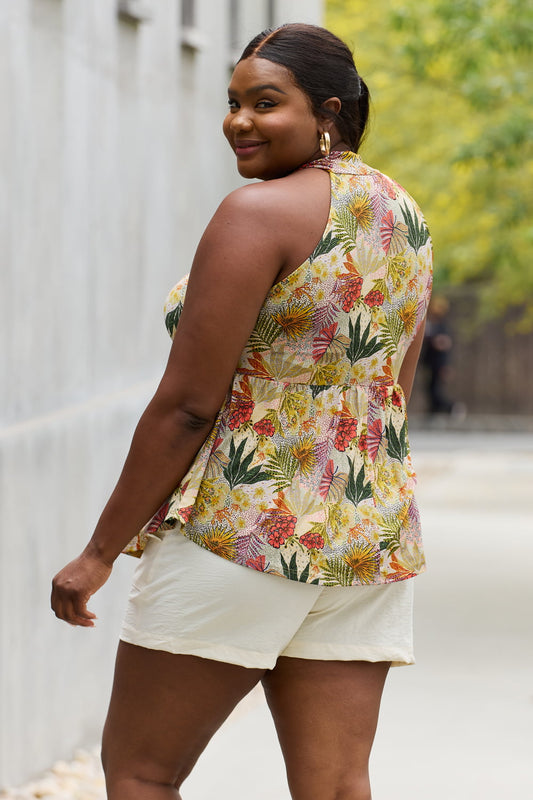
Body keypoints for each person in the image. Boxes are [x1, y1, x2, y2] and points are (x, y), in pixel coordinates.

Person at [51, 23, 433, 800]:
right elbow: (394, 384)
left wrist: (98, 552)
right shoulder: (404, 217)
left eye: (266, 102)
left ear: (327, 110)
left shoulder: (254, 215)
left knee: (141, 775)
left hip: (243, 529)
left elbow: (187, 408)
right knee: (334, 787)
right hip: (366, 535)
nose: (239, 121)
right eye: (232, 103)